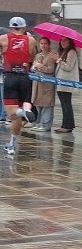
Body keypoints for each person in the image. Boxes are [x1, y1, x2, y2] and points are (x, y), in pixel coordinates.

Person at [0, 17, 38, 153]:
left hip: (10, 77)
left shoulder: (3, 38)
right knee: (19, 115)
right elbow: (32, 56)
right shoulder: (32, 40)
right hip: (25, 78)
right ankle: (12, 144)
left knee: (12, 113)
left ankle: (23, 112)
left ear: (10, 27)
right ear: (24, 28)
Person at [30, 37, 58, 132]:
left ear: (49, 44)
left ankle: (46, 125)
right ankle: (39, 122)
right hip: (37, 84)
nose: (43, 45)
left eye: (45, 43)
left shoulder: (52, 55)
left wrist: (40, 66)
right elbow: (33, 68)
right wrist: (34, 67)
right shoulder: (38, 55)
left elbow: (51, 69)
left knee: (47, 105)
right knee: (38, 104)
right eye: (41, 43)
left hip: (47, 84)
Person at [53, 37, 79, 134]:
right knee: (64, 105)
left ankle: (68, 125)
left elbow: (68, 67)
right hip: (60, 82)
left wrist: (59, 60)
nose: (63, 43)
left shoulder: (71, 52)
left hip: (66, 83)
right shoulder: (64, 52)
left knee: (66, 104)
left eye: (65, 40)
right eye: (61, 40)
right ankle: (65, 125)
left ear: (70, 42)